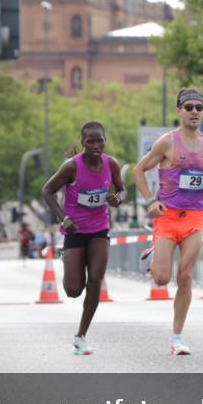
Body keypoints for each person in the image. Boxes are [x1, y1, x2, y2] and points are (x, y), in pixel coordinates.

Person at [133, 88, 203, 355]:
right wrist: (150, 200)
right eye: (189, 107)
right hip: (167, 217)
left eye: (199, 107)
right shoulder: (166, 142)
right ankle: (153, 256)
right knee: (162, 279)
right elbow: (138, 170)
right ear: (179, 111)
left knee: (185, 277)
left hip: (195, 218)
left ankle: (177, 337)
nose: (195, 111)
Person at [43, 120, 127, 356]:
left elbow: (122, 189)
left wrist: (118, 198)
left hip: (100, 229)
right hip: (75, 230)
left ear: (105, 140)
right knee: (73, 290)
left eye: (99, 140)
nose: (95, 145)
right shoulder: (71, 167)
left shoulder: (111, 164)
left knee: (95, 281)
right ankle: (68, 259)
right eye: (90, 141)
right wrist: (63, 218)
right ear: (83, 142)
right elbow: (47, 191)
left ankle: (81, 335)